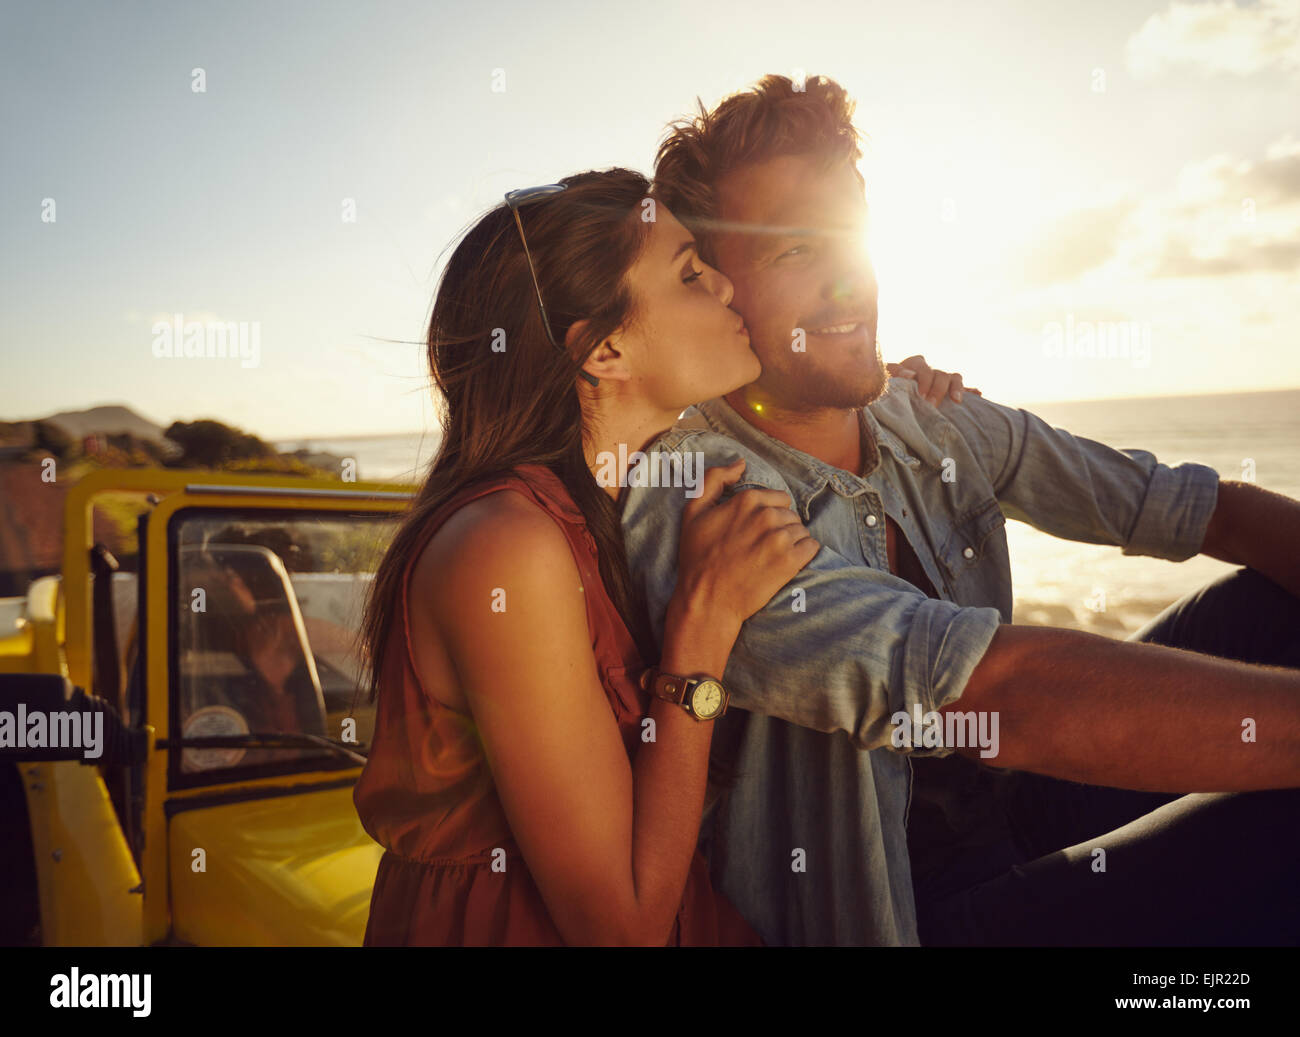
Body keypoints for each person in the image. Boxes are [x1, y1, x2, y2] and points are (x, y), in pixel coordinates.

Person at [620, 74, 1300, 946]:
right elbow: (999, 691)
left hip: (1012, 806)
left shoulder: (925, 415)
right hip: (903, 912)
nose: (847, 286)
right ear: (717, 290)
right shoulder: (700, 491)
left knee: (1270, 608)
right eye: (795, 251)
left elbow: (1210, 511)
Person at [351, 168, 964, 945]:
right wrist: (700, 635)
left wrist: (888, 389)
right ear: (604, 349)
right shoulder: (508, 548)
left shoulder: (607, 506)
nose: (727, 287)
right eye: (689, 273)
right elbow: (623, 927)